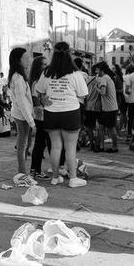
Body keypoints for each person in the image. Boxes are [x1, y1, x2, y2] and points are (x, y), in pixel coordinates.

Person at [35, 41, 89, 188]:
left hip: (51, 112)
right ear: (69, 53)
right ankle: (72, 178)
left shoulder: (46, 72)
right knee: (70, 147)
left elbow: (38, 91)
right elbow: (83, 94)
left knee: (55, 146)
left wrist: (44, 99)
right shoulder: (75, 73)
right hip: (70, 112)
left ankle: (55, 177)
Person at [7, 47, 36, 175]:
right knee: (22, 145)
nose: (28, 59)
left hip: (22, 114)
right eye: (25, 57)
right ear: (18, 60)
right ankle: (22, 173)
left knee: (24, 144)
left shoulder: (18, 76)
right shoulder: (18, 78)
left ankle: (22, 172)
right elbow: (22, 102)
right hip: (21, 115)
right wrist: (31, 122)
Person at [29, 55, 51, 179]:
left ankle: (35, 170)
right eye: (44, 64)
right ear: (38, 66)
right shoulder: (37, 82)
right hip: (41, 117)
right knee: (40, 144)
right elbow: (37, 101)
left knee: (42, 144)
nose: (46, 66)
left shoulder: (42, 80)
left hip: (44, 115)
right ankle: (35, 170)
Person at [96, 61, 119, 153]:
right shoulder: (108, 78)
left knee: (110, 127)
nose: (96, 71)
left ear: (101, 70)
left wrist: (96, 87)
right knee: (103, 127)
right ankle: (102, 146)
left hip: (108, 108)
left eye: (97, 69)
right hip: (111, 107)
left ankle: (114, 147)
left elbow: (103, 92)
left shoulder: (104, 78)